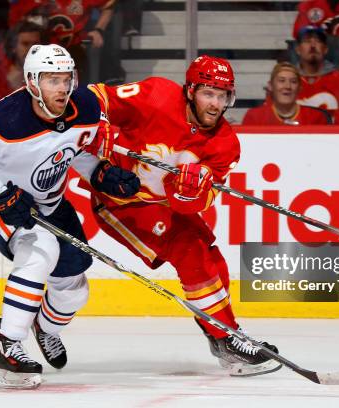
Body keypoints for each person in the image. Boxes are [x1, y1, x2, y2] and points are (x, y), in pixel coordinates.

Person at [0, 44, 140, 389]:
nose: (62, 88)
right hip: (0, 204)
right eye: (51, 80)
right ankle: (8, 344)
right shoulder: (2, 119)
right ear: (32, 82)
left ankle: (45, 328)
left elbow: (74, 151)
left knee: (74, 289)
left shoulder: (85, 106)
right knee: (41, 249)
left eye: (66, 79)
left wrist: (100, 173)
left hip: (51, 204)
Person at [82, 55, 282, 377]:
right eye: (208, 94)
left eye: (222, 96)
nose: (216, 104)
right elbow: (95, 97)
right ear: (190, 91)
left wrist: (189, 195)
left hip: (160, 204)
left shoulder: (225, 144)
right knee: (189, 249)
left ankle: (222, 335)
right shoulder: (156, 95)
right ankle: (225, 336)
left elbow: (195, 205)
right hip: (120, 200)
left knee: (210, 255)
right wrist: (98, 127)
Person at [242, 62, 331, 125]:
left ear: (300, 88)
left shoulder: (316, 117)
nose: (287, 86)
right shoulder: (254, 117)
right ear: (270, 86)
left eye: (293, 81)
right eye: (281, 81)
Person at [295, 26, 339, 112]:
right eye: (307, 41)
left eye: (318, 41)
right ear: (298, 49)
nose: (312, 46)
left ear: (325, 49)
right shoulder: (288, 81)